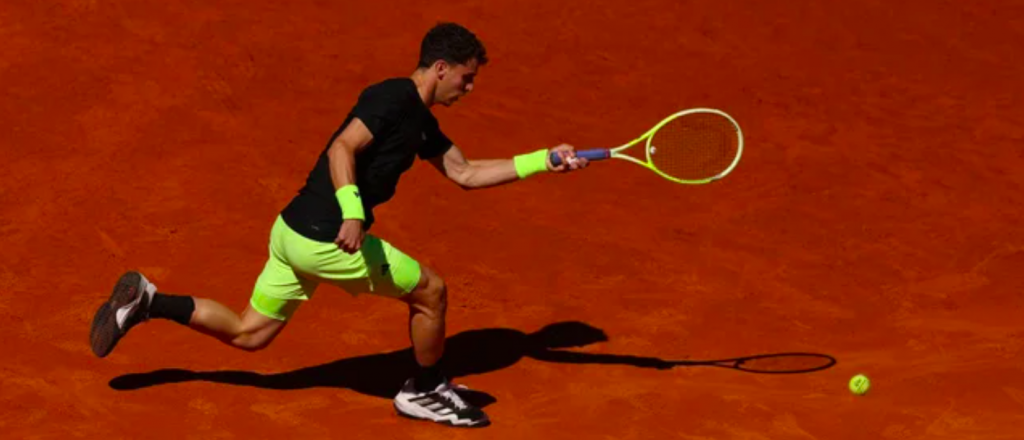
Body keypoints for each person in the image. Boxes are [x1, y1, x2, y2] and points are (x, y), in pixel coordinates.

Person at [89, 22, 587, 428]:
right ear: (441, 67)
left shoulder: (421, 121)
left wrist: (545, 159)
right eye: (467, 77)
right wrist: (352, 211)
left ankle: (150, 301)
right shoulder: (393, 98)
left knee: (249, 334)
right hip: (328, 237)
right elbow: (342, 147)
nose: (470, 87)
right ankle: (425, 388)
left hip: (291, 232)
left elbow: (466, 172)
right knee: (431, 291)